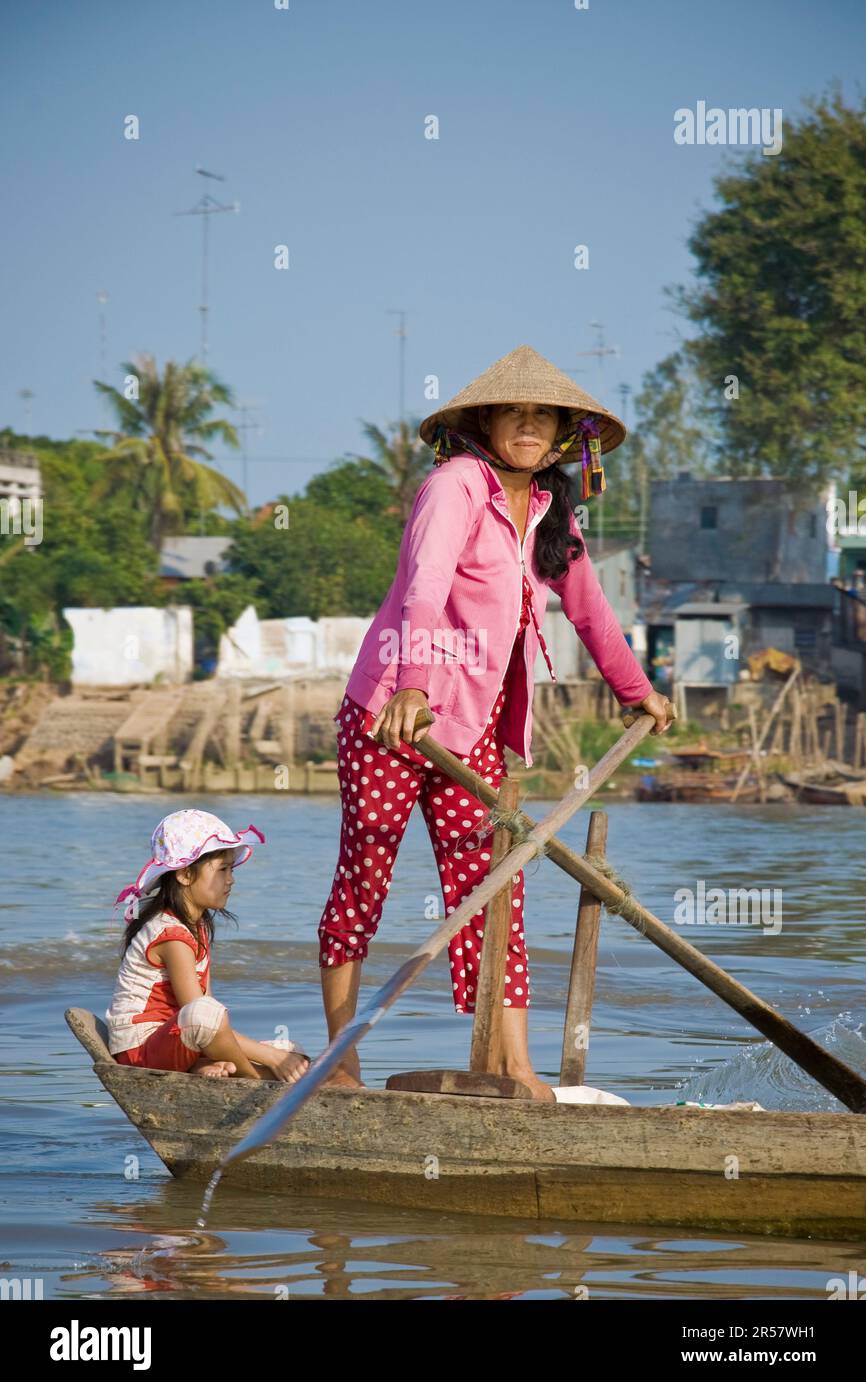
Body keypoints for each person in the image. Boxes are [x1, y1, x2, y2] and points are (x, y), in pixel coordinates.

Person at [318, 344, 672, 1100]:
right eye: (514, 412)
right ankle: (338, 1064)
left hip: (474, 731)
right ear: (484, 421)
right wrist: (412, 688)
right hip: (391, 716)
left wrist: (636, 688)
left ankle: (511, 1067)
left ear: (561, 436)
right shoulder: (454, 487)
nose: (528, 426)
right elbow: (424, 587)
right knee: (363, 886)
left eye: (542, 416)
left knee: (490, 890)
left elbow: (588, 608)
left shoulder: (549, 511)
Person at [108, 809, 309, 1082]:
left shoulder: (197, 926)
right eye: (222, 869)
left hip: (175, 1038)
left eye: (231, 869)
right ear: (185, 875)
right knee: (211, 1016)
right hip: (141, 1049)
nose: (231, 879)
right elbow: (201, 1013)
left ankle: (203, 1065)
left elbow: (211, 1019)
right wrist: (271, 1058)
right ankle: (255, 1079)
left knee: (289, 1048)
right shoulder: (170, 935)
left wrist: (274, 1053)